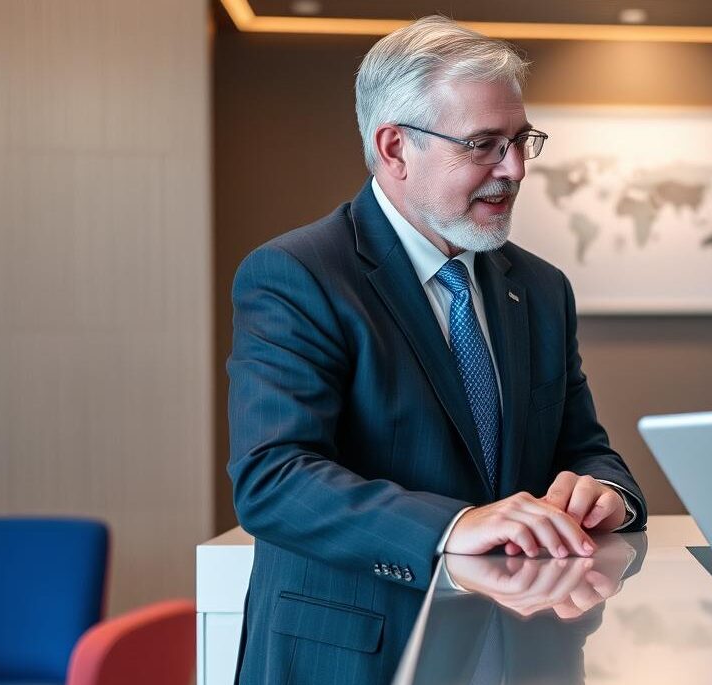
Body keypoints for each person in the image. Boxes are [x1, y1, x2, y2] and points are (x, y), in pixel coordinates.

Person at [226, 16, 647, 684]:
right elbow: (273, 478)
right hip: (356, 653)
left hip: (523, 647)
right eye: (484, 145)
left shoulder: (540, 287)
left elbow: (584, 446)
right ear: (395, 148)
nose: (514, 169)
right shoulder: (298, 274)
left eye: (520, 140)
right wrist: (455, 525)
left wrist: (606, 492)